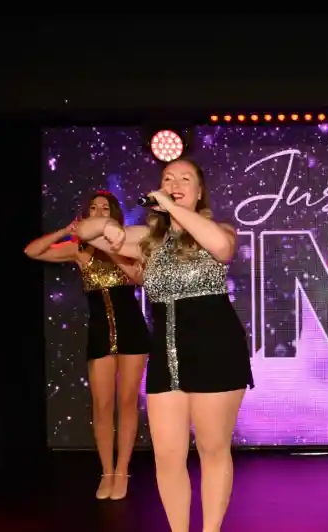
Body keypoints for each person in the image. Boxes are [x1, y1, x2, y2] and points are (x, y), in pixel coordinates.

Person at [76, 157, 253, 532]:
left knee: (212, 449)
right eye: (168, 178)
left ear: (199, 190)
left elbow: (222, 248)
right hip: (166, 355)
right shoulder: (148, 240)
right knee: (168, 456)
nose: (174, 182)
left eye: (184, 178)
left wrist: (172, 207)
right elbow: (86, 232)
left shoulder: (218, 229)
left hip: (216, 349)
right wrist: (110, 225)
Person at [24, 190, 150, 501]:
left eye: (104, 208)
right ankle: (106, 471)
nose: (97, 211)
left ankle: (123, 471)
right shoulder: (78, 250)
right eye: (92, 207)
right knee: (102, 405)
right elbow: (32, 251)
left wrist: (116, 249)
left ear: (113, 215)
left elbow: (142, 279)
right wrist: (66, 231)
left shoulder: (128, 245)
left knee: (126, 402)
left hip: (132, 330)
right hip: (99, 332)